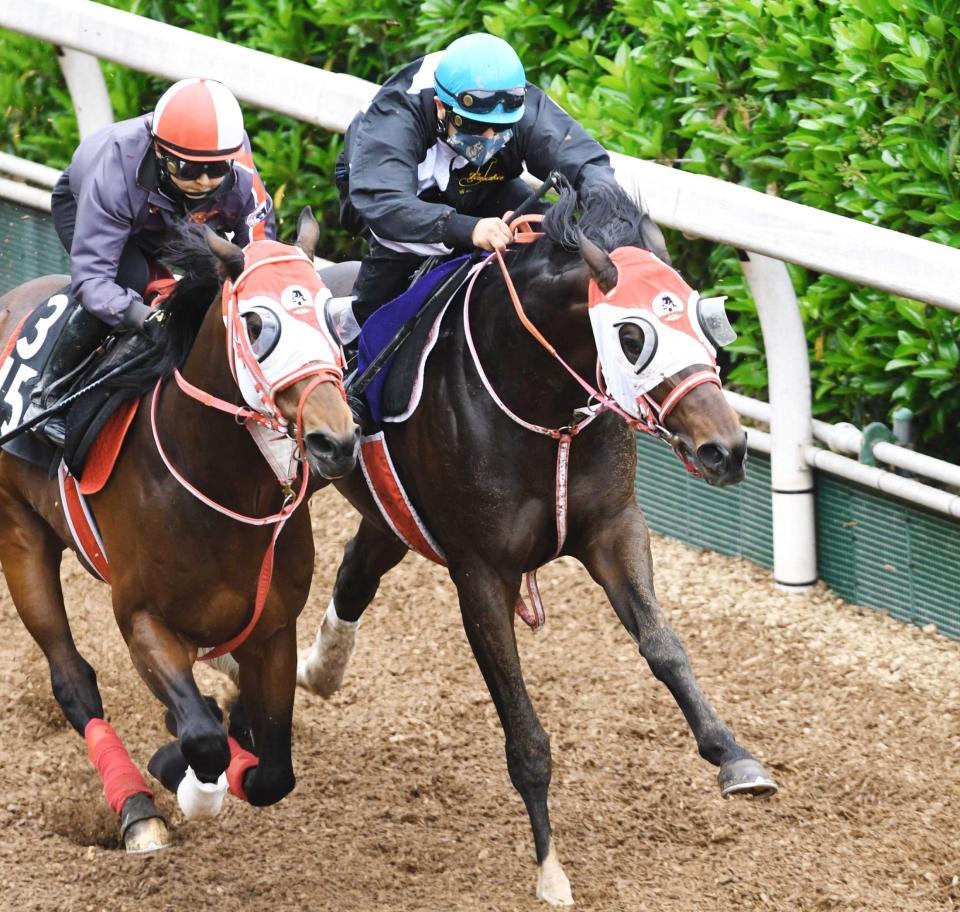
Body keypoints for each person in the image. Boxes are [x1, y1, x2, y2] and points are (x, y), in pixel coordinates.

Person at [29, 77, 275, 443]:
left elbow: (261, 262)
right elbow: (93, 281)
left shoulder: (240, 175)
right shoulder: (116, 167)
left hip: (172, 219)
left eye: (217, 170)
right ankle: (46, 396)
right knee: (132, 282)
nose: (204, 181)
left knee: (214, 286)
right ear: (160, 151)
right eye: (187, 169)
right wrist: (144, 317)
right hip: (98, 209)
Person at [335, 31, 619, 331]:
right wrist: (469, 228)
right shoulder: (397, 115)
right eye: (474, 126)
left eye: (502, 129)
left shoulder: (518, 101)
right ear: (441, 107)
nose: (489, 139)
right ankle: (351, 333)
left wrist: (607, 208)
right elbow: (385, 202)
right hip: (386, 193)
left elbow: (585, 160)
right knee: (402, 265)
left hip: (474, 181)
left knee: (550, 229)